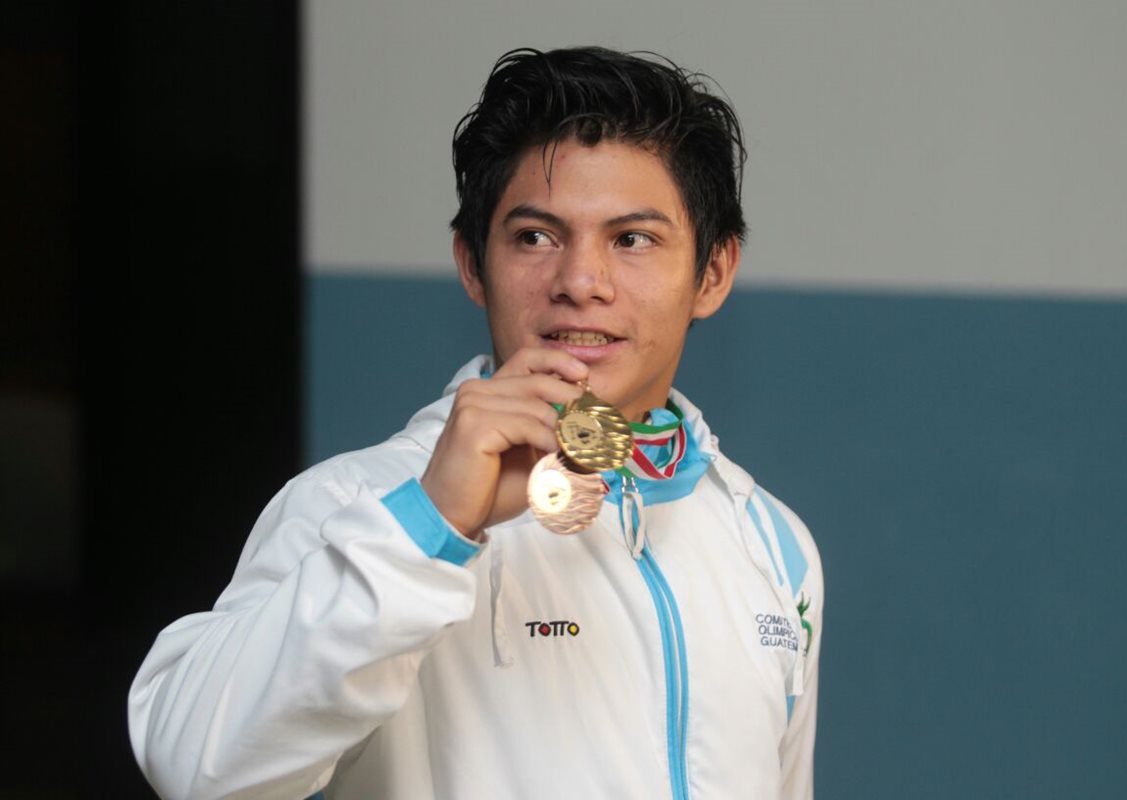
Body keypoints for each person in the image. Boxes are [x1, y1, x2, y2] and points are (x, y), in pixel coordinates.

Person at [128, 46, 824, 799]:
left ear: (713, 273)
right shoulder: (356, 507)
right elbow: (193, 766)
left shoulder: (770, 543)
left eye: (632, 239)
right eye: (535, 237)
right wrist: (431, 526)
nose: (580, 282)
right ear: (471, 264)